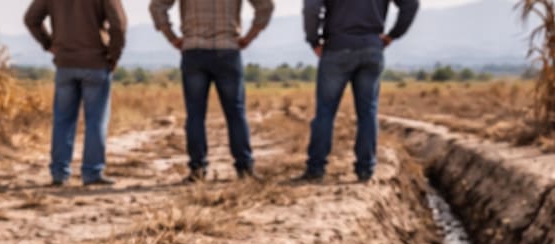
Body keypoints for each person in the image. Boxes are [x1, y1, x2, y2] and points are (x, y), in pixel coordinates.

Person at [150, 0, 274, 182]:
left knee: (195, 114)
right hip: (228, 49)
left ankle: (197, 170)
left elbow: (157, 6)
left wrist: (172, 37)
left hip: (194, 50)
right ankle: (245, 168)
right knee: (236, 113)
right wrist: (250, 36)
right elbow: (266, 6)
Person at [300, 0, 419, 182]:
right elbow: (411, 4)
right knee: (368, 112)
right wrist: (392, 35)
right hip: (372, 46)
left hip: (337, 47)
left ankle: (316, 169)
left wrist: (314, 40)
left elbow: (311, 7)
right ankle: (365, 170)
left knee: (325, 112)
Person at [25, 0, 128, 186]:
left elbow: (31, 19)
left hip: (65, 63)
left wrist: (48, 44)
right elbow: (118, 24)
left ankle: (59, 173)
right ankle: (92, 172)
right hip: (95, 63)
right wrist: (114, 55)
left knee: (62, 121)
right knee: (96, 120)